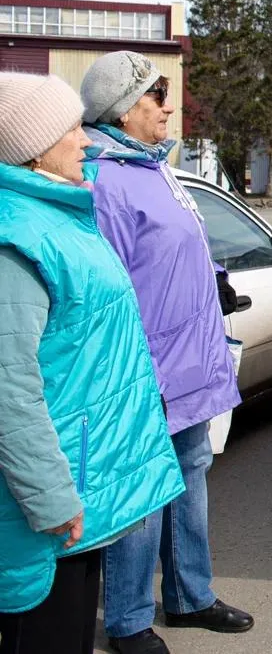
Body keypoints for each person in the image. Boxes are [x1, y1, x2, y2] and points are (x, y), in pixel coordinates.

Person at [0, 72, 185, 654]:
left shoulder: (59, 213)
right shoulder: (17, 238)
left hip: (76, 491)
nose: (86, 139)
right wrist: (51, 497)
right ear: (34, 148)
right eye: (71, 128)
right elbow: (9, 390)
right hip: (45, 509)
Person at [79, 51, 254, 654]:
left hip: (188, 364)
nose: (168, 106)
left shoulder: (153, 167)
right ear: (123, 109)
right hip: (144, 371)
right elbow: (105, 288)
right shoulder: (105, 179)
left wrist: (216, 278)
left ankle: (189, 596)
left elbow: (176, 250)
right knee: (140, 493)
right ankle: (127, 621)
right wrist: (127, 375)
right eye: (156, 95)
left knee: (189, 475)